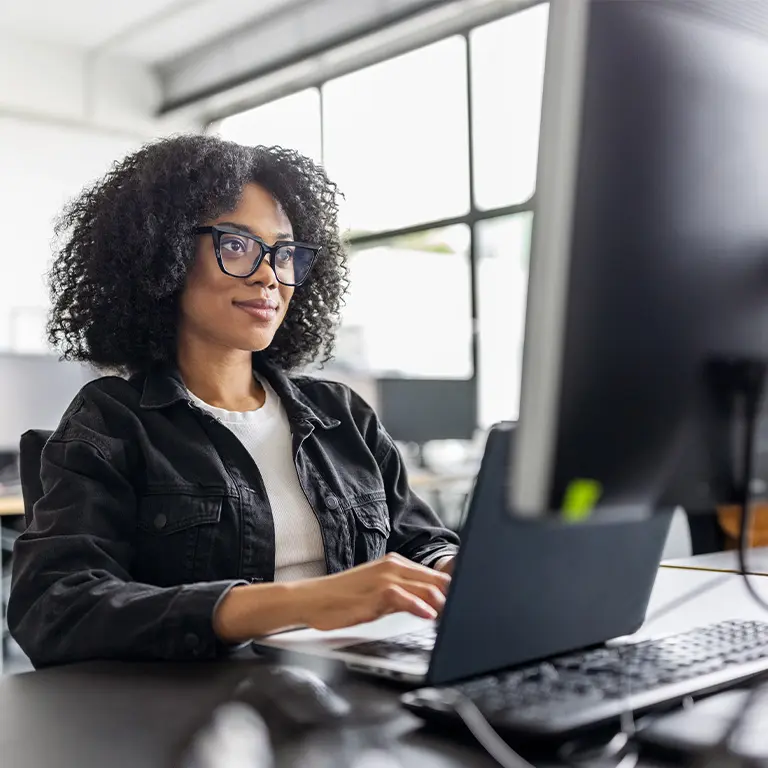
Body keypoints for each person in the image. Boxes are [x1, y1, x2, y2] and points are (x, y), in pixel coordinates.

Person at [8, 135, 460, 668]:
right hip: (208, 706)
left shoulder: (343, 415)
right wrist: (297, 602)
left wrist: (452, 567)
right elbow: (56, 607)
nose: (270, 275)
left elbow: (418, 541)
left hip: (357, 687)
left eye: (284, 253)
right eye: (238, 245)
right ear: (166, 257)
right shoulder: (111, 422)